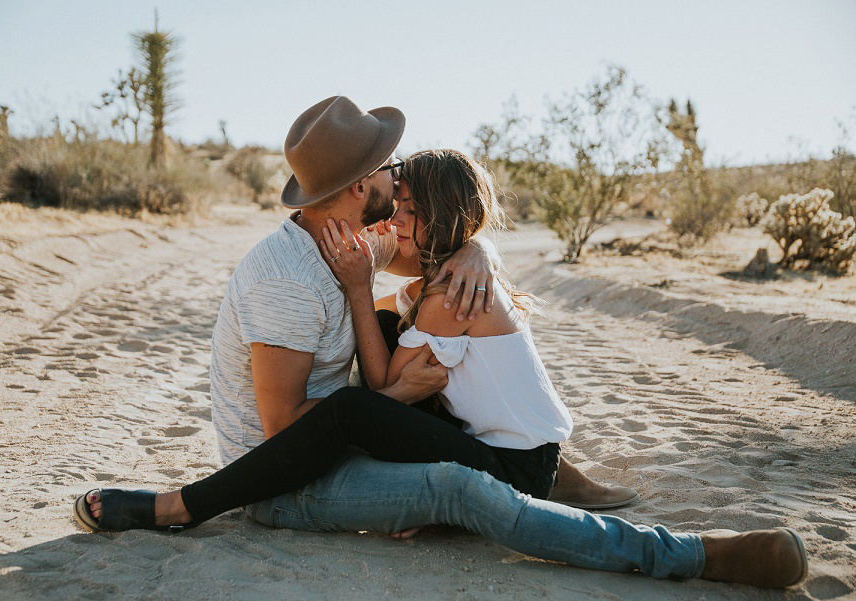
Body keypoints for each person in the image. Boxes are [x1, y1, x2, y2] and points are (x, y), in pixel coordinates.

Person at [73, 97, 807, 588]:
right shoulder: (287, 278)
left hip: (350, 432)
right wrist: (389, 395)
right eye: (389, 167)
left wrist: (478, 253)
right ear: (364, 186)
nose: (398, 171)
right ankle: (692, 553)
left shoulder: (355, 241)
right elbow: (281, 434)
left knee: (391, 347)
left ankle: (544, 469)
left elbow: (447, 236)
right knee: (454, 482)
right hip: (285, 478)